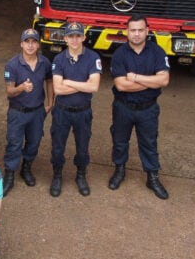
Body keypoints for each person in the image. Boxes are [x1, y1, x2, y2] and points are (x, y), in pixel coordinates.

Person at [108, 15, 171, 199]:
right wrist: (152, 81)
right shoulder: (119, 54)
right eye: (133, 30)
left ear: (147, 31)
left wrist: (135, 77)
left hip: (148, 109)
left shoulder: (157, 52)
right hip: (123, 107)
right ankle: (119, 170)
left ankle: (152, 177)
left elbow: (164, 80)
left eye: (140, 30)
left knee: (149, 143)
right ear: (127, 32)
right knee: (120, 140)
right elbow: (121, 85)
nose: (136, 34)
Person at [50, 22, 102, 197]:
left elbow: (94, 87)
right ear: (65, 38)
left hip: (83, 111)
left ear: (83, 37)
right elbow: (57, 89)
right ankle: (57, 175)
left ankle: (81, 175)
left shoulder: (93, 57)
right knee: (57, 147)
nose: (74, 39)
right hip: (62, 111)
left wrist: (69, 81)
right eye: (70, 36)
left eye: (78, 35)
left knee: (82, 147)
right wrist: (84, 85)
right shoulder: (58, 59)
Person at [2, 28, 54, 196]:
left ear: (38, 44)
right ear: (21, 44)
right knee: (14, 143)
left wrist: (51, 103)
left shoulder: (44, 62)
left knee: (34, 141)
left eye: (34, 41)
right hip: (18, 111)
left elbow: (49, 81)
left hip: (37, 111)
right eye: (27, 42)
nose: (30, 45)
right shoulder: (12, 64)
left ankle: (26, 168)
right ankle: (9, 174)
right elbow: (9, 91)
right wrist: (22, 87)